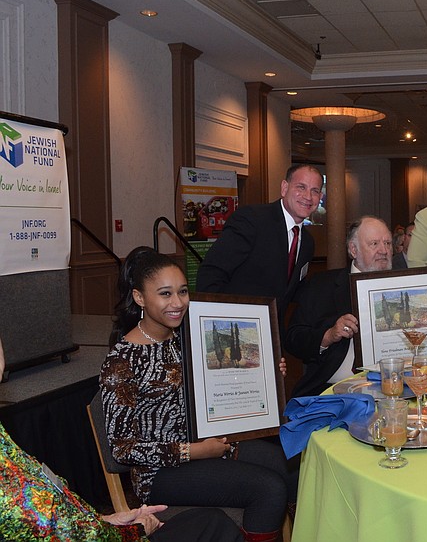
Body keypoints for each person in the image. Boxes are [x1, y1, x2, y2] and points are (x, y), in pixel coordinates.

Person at [101, 247, 298, 542]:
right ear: (140, 297)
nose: (178, 302)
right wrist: (194, 451)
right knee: (268, 488)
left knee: (294, 469)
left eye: (182, 291)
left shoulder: (191, 336)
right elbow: (123, 448)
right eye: (165, 294)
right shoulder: (122, 360)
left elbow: (224, 382)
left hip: (214, 442)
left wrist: (267, 374)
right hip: (160, 473)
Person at [0, 337, 243, 542]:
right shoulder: (123, 359)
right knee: (218, 525)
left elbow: (52, 521)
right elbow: (45, 528)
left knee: (211, 520)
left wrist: (104, 519)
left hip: (94, 528)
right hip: (115, 523)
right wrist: (135, 530)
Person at [196, 165, 323, 329]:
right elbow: (212, 273)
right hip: (233, 328)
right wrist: (214, 325)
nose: (308, 196)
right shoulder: (251, 220)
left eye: (315, 191)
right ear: (284, 188)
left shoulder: (307, 242)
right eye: (301, 187)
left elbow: (292, 291)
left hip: (272, 334)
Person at [284, 216, 395, 397]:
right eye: (374, 244)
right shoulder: (322, 285)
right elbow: (293, 338)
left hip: (394, 389)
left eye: (388, 243)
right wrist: (328, 336)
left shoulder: (404, 288)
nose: (383, 250)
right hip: (332, 391)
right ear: (353, 250)